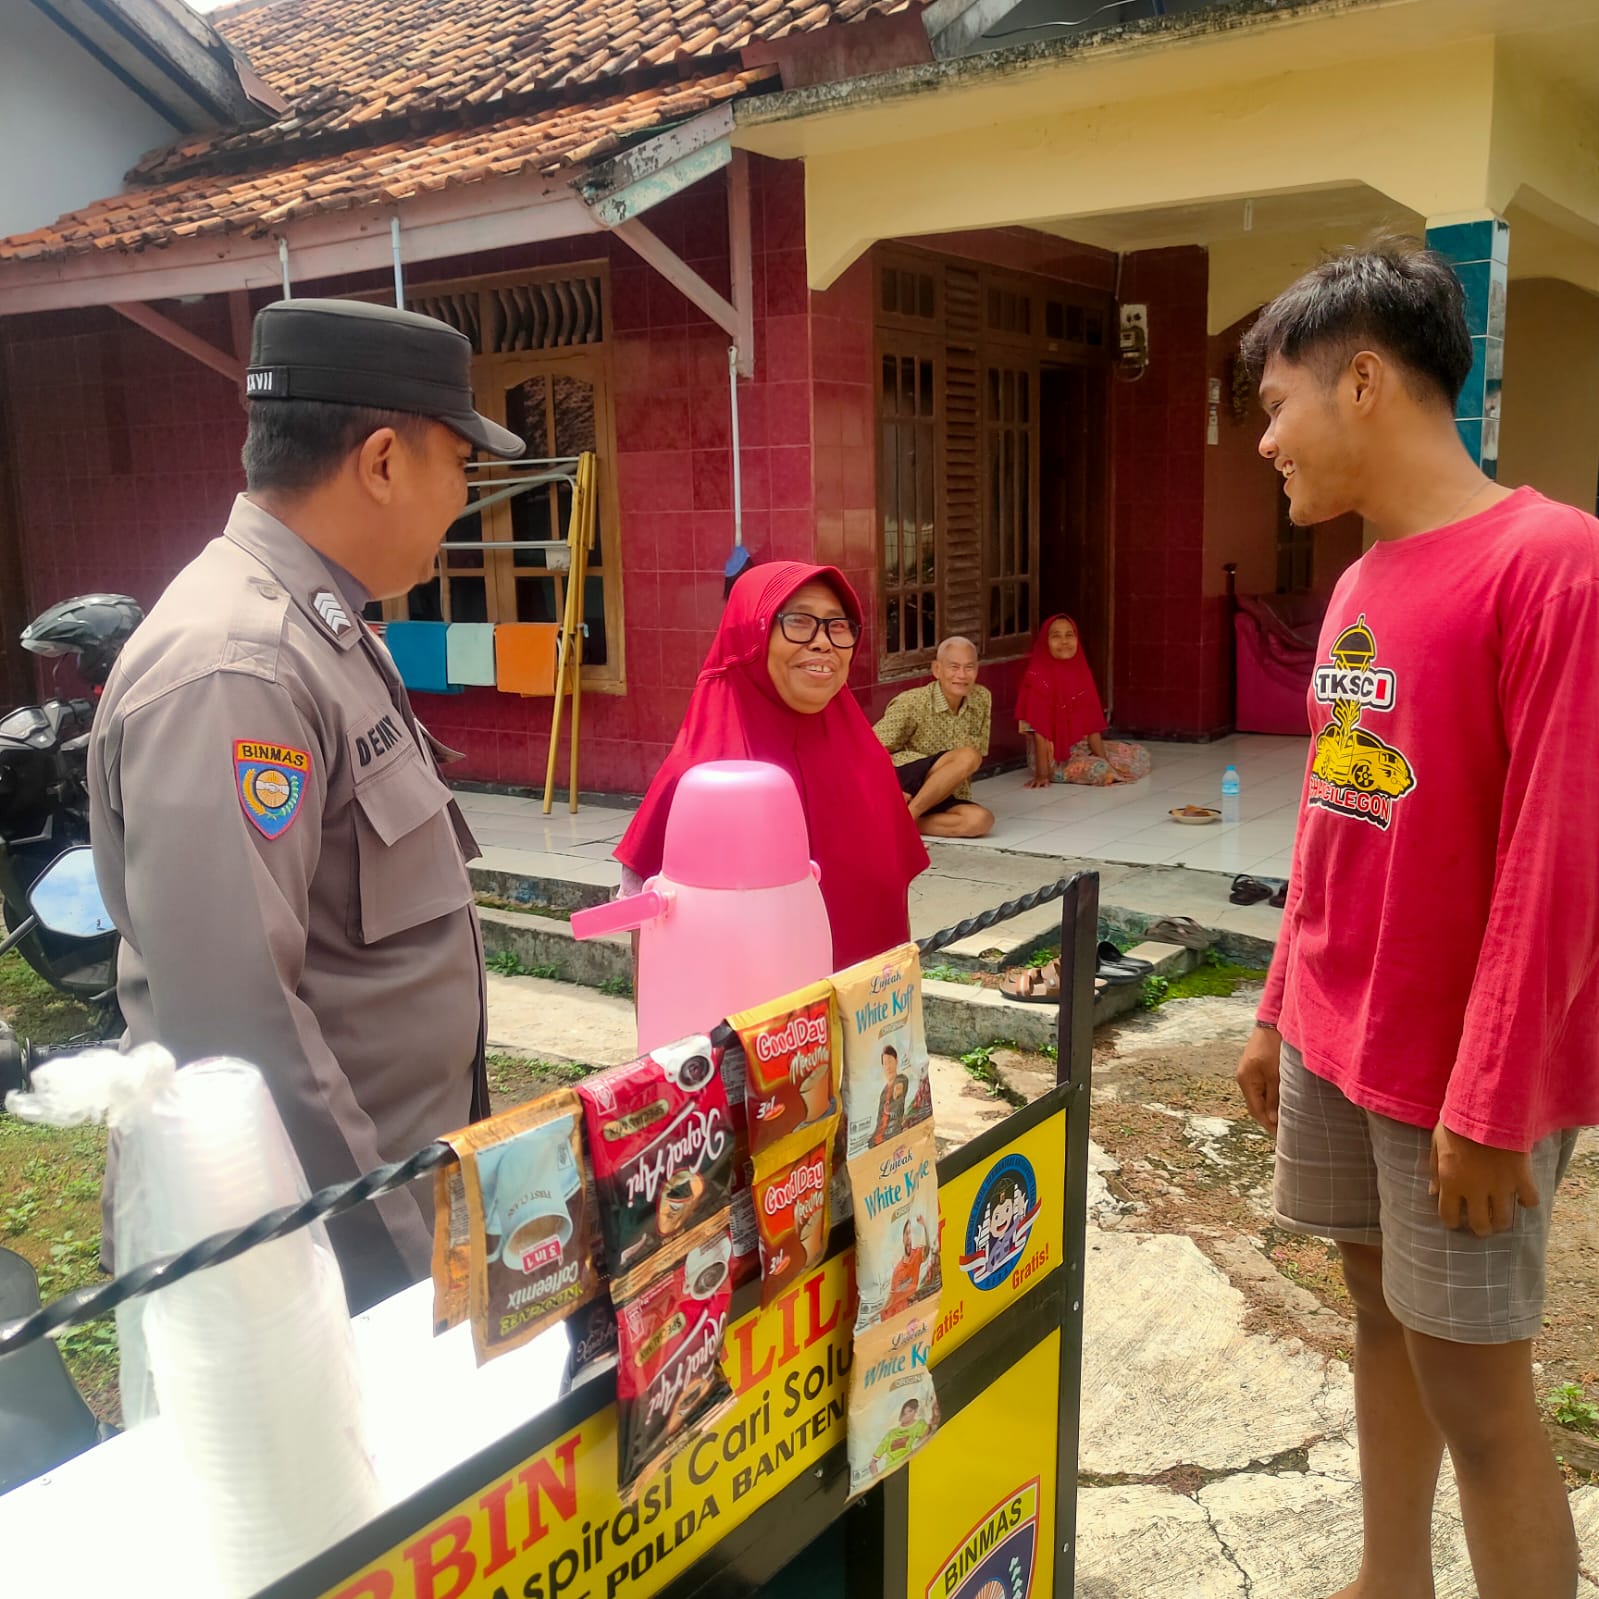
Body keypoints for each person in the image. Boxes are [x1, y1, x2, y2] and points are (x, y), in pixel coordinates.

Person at [1233, 238, 1599, 1599]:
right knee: (1377, 1318)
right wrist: (1276, 1006)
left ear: (1364, 381)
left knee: (1481, 1398)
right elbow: (1333, 814)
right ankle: (1389, 1577)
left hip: (1457, 1079)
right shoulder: (1356, 581)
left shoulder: (1553, 562)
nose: (1265, 441)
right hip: (1338, 1035)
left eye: (1276, 404)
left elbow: (1559, 858)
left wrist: (1491, 1099)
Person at [89, 298, 524, 1314]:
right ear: (383, 461)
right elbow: (240, 1035)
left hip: (377, 1212)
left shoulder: (324, 630)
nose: (464, 499)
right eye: (460, 464)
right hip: (304, 1274)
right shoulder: (238, 667)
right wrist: (395, 1280)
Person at [616, 562, 928, 970]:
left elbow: (893, 900)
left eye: (838, 626)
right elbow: (649, 934)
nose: (823, 643)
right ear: (751, 634)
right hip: (751, 1007)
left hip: (869, 1001)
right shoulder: (702, 775)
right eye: (798, 621)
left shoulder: (867, 763)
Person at [872, 637, 994, 837]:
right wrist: (885, 791)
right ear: (937, 669)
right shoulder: (912, 702)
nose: (962, 675)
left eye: (969, 667)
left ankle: (894, 821)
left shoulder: (982, 698)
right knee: (968, 756)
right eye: (954, 667)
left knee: (980, 821)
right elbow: (870, 750)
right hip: (903, 782)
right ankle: (907, 819)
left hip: (938, 791)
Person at [1016, 615, 1149, 788]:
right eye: (1056, 636)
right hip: (1050, 758)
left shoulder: (1081, 673)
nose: (1064, 641)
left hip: (1080, 747)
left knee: (1139, 754)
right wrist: (1042, 774)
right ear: (1045, 642)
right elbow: (1039, 731)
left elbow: (1091, 726)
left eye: (1069, 635)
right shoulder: (1036, 678)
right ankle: (1095, 769)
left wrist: (1105, 760)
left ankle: (1104, 767)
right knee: (1100, 769)